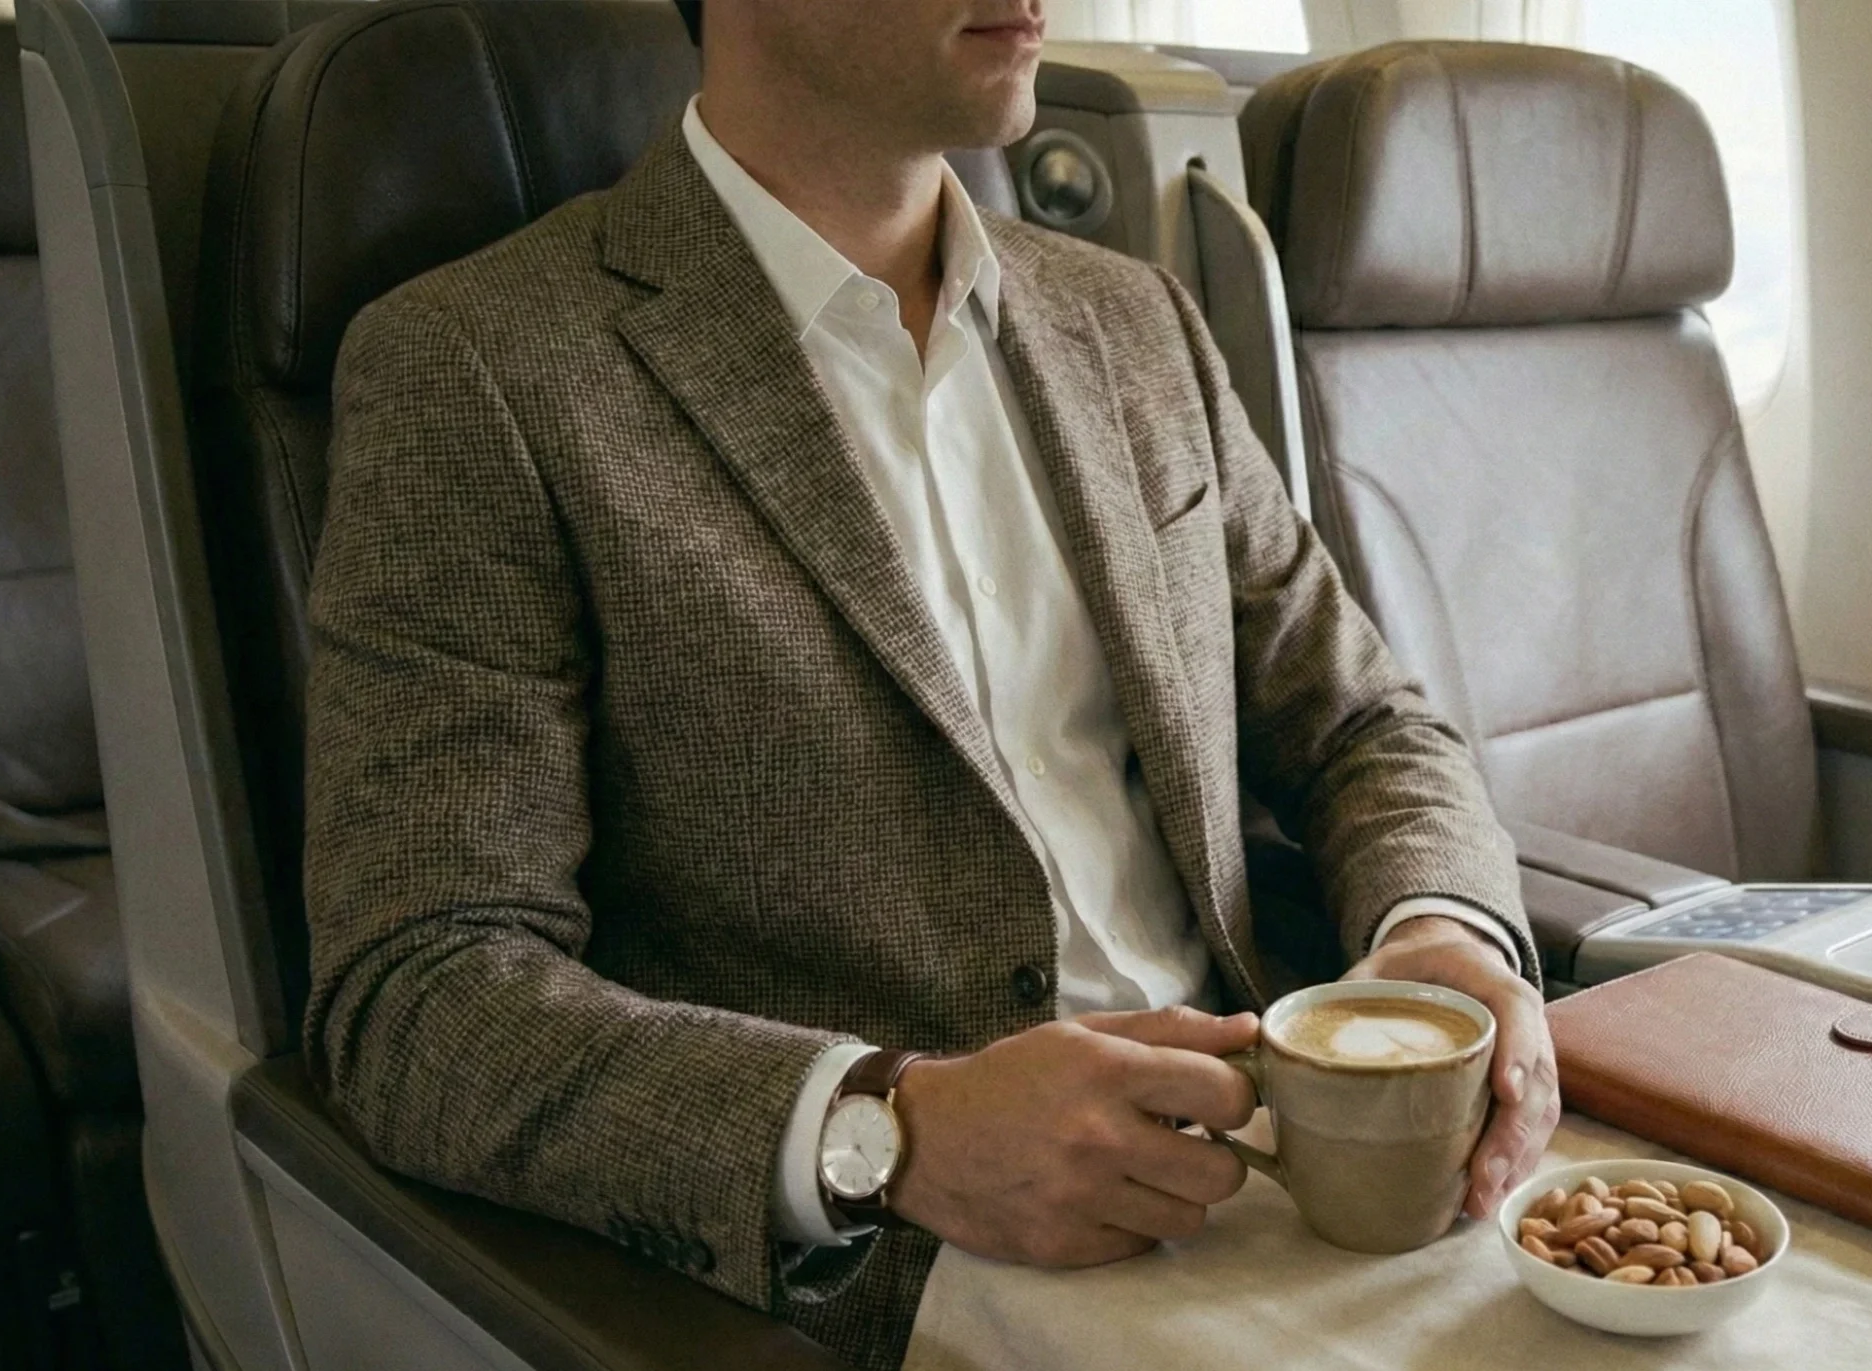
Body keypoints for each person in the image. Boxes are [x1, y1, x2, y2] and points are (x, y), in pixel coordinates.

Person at [300, 0, 1553, 1364]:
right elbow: (420, 997)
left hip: (1305, 1169)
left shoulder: (1135, 323)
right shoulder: (484, 368)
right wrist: (886, 1128)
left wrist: (1446, 934)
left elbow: (1364, 720)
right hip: (913, 1263)